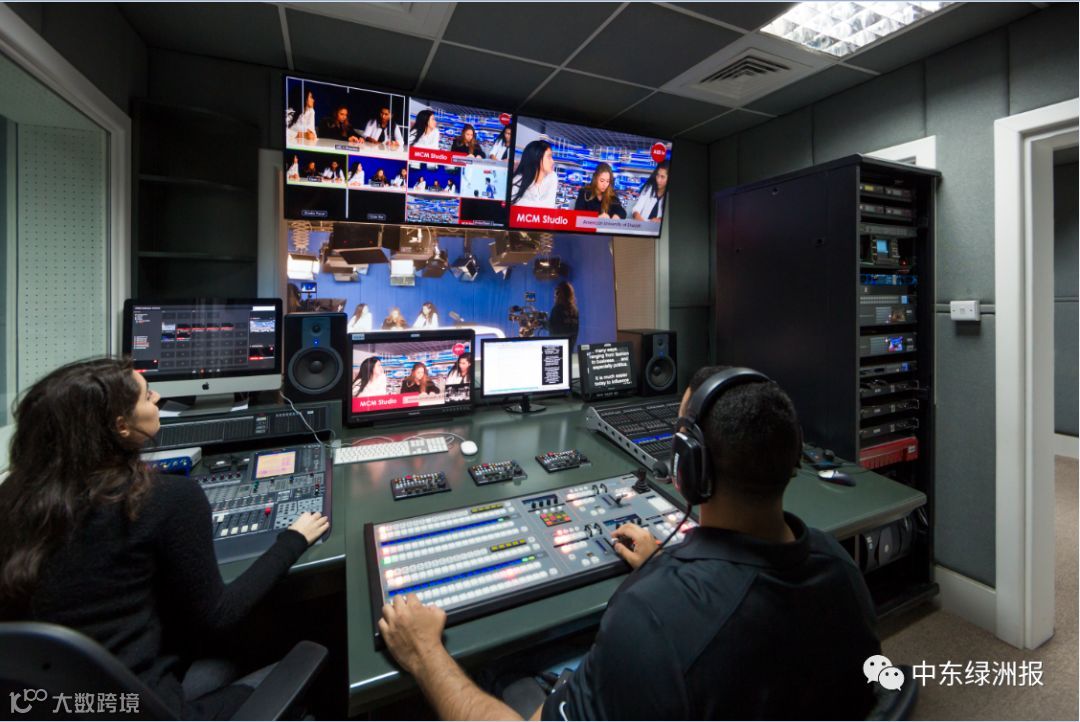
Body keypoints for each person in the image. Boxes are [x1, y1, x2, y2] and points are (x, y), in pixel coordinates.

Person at [376, 366, 882, 720]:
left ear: (688, 467)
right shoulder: (840, 566)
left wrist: (424, 651)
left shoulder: (651, 619)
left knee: (501, 671)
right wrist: (670, 564)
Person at [0, 358, 329, 720]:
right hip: (154, 708)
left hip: (51, 704)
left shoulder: (11, 501)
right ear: (121, 426)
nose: (157, 397)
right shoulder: (167, 499)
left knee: (218, 660)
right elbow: (221, 614)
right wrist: (293, 539)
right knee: (308, 664)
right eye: (146, 396)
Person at [511, 140, 558, 208]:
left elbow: (549, 206)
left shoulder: (552, 177)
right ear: (537, 158)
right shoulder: (517, 181)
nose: (552, 161)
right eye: (549, 157)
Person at [548, 280, 579, 350]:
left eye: (557, 293)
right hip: (570, 348)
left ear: (561, 294)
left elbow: (552, 328)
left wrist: (542, 323)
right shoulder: (575, 310)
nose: (555, 296)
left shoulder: (557, 309)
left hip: (557, 349)